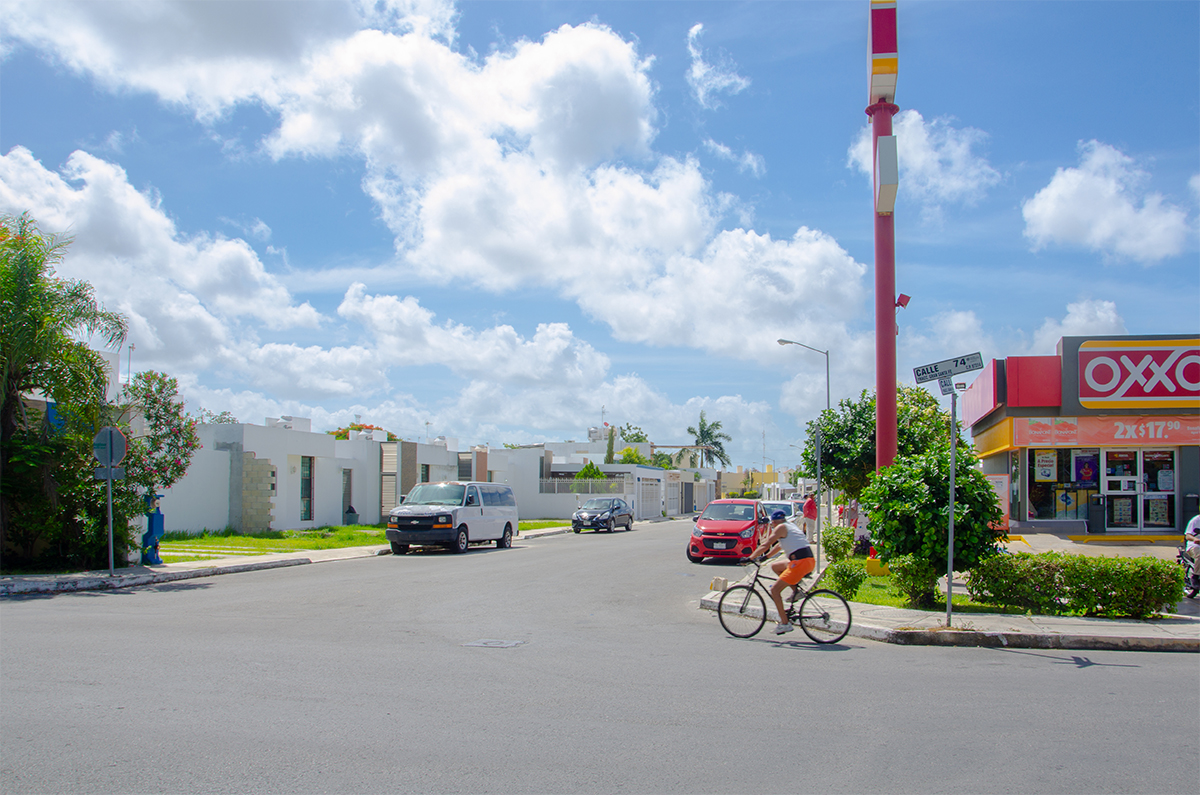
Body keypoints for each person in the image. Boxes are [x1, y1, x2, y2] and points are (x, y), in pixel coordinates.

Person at [746, 509, 815, 635]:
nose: (772, 526)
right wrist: (765, 557)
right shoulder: (790, 526)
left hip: (800, 563)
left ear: (774, 522)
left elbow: (766, 545)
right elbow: (779, 546)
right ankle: (796, 591)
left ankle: (785, 623)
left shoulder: (780, 528)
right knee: (776, 566)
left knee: (775, 590)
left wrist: (750, 558)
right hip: (808, 560)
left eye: (772, 524)